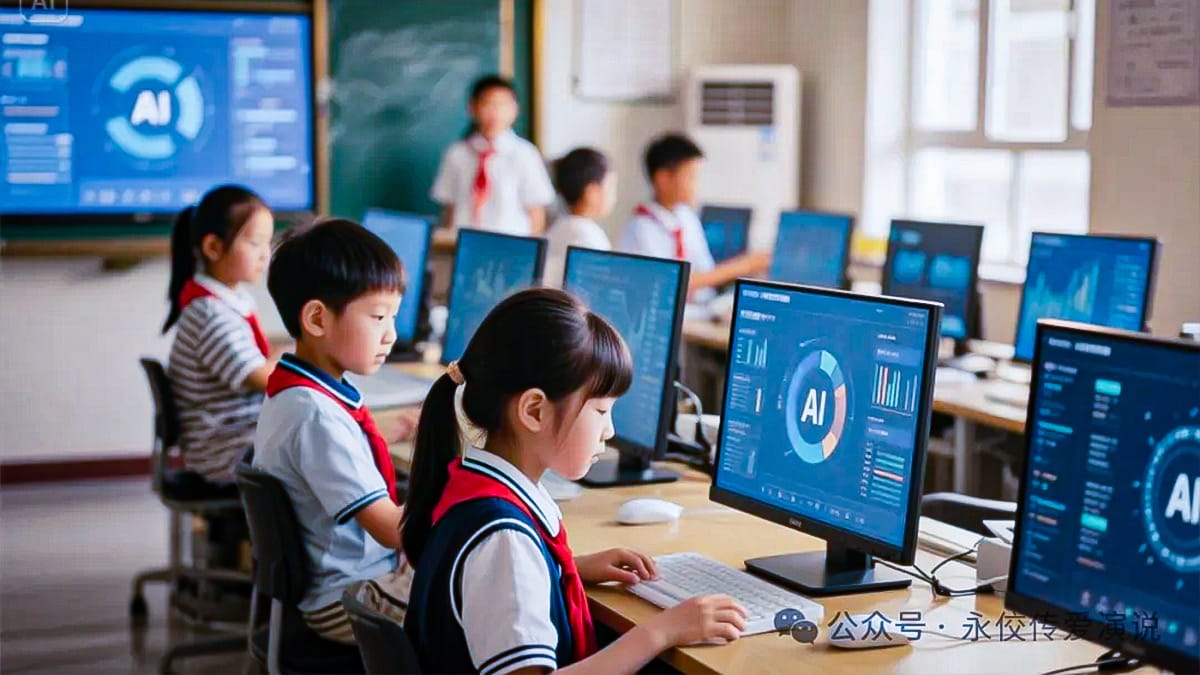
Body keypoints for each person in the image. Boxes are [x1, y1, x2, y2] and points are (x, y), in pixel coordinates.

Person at [403, 288, 747, 673]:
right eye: (600, 410)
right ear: (534, 411)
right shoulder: (505, 539)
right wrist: (661, 632)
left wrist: (564, 569)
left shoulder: (474, 486)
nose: (609, 430)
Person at [253, 219, 413, 642]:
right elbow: (393, 530)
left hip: (345, 584)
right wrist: (466, 498)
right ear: (317, 319)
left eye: (393, 317)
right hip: (348, 601)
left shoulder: (300, 393)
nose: (391, 335)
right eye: (378, 317)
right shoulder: (316, 417)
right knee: (482, 597)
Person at [431, 75, 555, 235]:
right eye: (487, 104)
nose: (495, 112)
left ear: (515, 109)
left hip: (509, 244)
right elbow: (449, 208)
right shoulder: (456, 153)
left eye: (502, 104)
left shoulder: (525, 154)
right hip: (464, 242)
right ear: (472, 107)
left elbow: (536, 212)